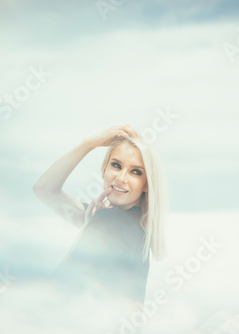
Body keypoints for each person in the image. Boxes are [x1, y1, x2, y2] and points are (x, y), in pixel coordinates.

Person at [33, 124, 168, 332]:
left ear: (146, 184)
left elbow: (56, 295)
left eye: (135, 172)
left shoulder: (109, 220)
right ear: (104, 169)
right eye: (116, 165)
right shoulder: (133, 225)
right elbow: (44, 190)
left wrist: (89, 144)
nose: (121, 177)